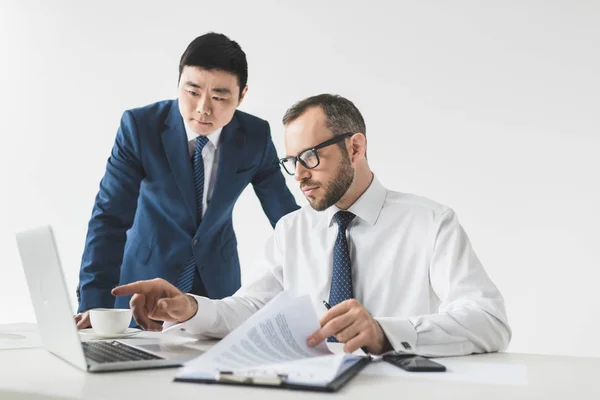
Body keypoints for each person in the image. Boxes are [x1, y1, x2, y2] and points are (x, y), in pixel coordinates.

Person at [112, 94, 511, 356]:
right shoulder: (291, 230)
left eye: (310, 157)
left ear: (355, 147)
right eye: (291, 162)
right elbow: (251, 309)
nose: (298, 175)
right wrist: (190, 306)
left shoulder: (430, 223)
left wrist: (385, 332)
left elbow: (489, 321)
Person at [75, 33, 299, 329]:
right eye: (192, 92)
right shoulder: (140, 128)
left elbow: (287, 219)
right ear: (178, 83)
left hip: (217, 290)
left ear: (242, 95)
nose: (203, 108)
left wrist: (322, 277)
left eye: (219, 97)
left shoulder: (254, 137)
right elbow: (109, 219)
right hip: (142, 290)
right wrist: (93, 306)